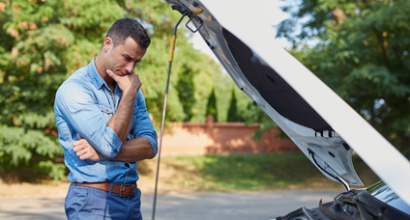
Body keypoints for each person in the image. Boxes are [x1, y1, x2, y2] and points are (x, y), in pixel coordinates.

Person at [54, 17, 158, 220]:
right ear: (107, 44)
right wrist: (129, 94)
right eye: (127, 58)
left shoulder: (130, 88)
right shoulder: (75, 89)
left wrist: (100, 154)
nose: (130, 69)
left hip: (131, 201)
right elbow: (109, 145)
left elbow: (151, 146)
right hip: (93, 202)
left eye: (136, 62)